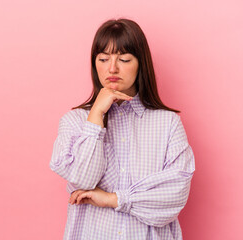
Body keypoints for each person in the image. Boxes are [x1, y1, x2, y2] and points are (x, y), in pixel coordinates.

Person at [49, 18, 195, 240]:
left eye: (124, 59)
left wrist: (112, 199)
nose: (112, 68)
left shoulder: (168, 124)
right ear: (94, 63)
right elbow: (83, 180)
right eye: (103, 58)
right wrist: (96, 116)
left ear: (140, 64)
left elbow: (175, 194)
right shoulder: (74, 121)